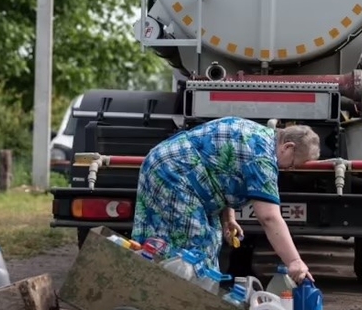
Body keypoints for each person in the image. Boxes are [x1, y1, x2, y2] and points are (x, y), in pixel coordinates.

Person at [130, 116, 321, 284]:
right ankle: (180, 306)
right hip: (173, 173)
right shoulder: (262, 158)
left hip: (167, 164)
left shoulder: (258, 134)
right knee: (194, 246)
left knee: (209, 239)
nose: (289, 170)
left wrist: (228, 218)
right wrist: (294, 262)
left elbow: (221, 169)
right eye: (293, 164)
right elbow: (269, 218)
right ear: (288, 147)